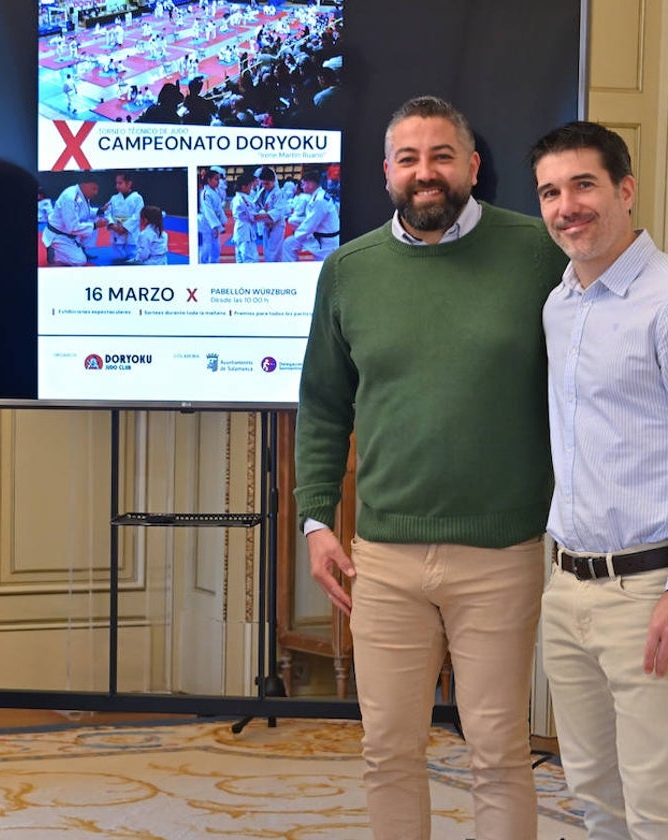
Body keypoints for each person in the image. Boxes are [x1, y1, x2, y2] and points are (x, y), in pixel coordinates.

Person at [294, 95, 567, 840]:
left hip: (502, 555)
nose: (426, 173)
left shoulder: (539, 253)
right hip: (383, 560)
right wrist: (317, 520)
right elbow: (322, 406)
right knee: (387, 752)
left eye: (442, 156)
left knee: (500, 756)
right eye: (409, 159)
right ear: (387, 173)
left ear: (473, 166)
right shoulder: (348, 272)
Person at [529, 120, 668, 838]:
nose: (566, 206)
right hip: (568, 587)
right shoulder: (559, 305)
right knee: (591, 791)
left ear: (625, 189)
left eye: (583, 184)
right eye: (551, 192)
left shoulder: (665, 297)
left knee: (657, 801)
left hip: (649, 592)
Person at [44, 175, 105, 266]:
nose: (96, 192)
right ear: (84, 185)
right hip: (58, 235)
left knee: (95, 218)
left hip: (69, 234)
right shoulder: (70, 197)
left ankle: (81, 249)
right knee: (80, 261)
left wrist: (101, 210)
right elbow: (72, 227)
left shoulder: (82, 194)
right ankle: (55, 252)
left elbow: (85, 212)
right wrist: (95, 225)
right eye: (94, 188)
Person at [281, 168, 339, 261]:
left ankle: (291, 271)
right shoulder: (318, 194)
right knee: (289, 243)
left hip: (325, 243)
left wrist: (296, 234)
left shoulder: (319, 200)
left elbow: (310, 225)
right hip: (319, 235)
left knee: (290, 243)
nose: (302, 187)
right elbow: (310, 220)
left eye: (303, 184)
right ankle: (291, 270)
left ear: (311, 184)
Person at [104, 172, 144, 262]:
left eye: (120, 183)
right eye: (116, 183)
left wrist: (124, 228)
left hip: (131, 235)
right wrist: (112, 225)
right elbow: (107, 212)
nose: (117, 186)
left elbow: (137, 216)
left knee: (133, 259)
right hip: (116, 233)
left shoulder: (137, 198)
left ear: (129, 183)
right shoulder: (114, 198)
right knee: (117, 259)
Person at [252, 167, 289, 262]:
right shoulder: (262, 191)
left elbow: (279, 212)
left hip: (276, 226)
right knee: (267, 251)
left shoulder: (279, 193)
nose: (265, 186)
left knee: (275, 252)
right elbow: (256, 205)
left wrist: (262, 215)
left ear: (273, 181)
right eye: (263, 183)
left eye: (267, 183)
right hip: (266, 225)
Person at [230, 171, 265, 263]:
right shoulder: (243, 199)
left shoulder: (237, 198)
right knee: (251, 259)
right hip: (245, 231)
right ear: (244, 187)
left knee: (240, 259)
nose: (251, 188)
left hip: (240, 230)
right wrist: (267, 215)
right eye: (250, 186)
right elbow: (253, 216)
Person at [198, 166, 226, 264]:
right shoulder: (205, 193)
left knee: (216, 245)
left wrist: (222, 222)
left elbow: (219, 209)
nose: (218, 182)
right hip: (207, 222)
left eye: (219, 179)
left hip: (215, 221)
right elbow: (208, 211)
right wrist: (217, 226)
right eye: (216, 179)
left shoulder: (215, 191)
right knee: (207, 244)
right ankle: (204, 263)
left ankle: (215, 262)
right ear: (209, 180)